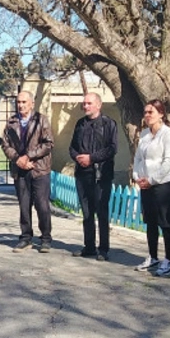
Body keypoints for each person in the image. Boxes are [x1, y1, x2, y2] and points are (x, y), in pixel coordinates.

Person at [2, 90, 54, 253]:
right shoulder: (11, 122)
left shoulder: (41, 120)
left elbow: (48, 144)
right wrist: (18, 159)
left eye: (24, 102)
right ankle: (25, 238)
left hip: (39, 169)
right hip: (20, 170)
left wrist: (29, 157)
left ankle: (45, 238)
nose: (21, 105)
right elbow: (5, 145)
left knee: (42, 205)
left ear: (32, 103)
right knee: (24, 206)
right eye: (18, 102)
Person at [133, 99, 170, 277]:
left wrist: (153, 179)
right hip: (145, 184)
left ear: (161, 114)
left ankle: (168, 259)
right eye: (145, 112)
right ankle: (153, 256)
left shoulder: (168, 134)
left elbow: (169, 161)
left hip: (162, 185)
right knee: (150, 222)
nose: (147, 116)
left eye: (150, 112)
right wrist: (137, 177)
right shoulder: (144, 134)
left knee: (165, 223)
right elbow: (138, 158)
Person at [69, 92, 118, 260]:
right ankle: (88, 246)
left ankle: (103, 249)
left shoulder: (108, 124)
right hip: (82, 175)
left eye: (89, 103)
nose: (85, 106)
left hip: (100, 175)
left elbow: (112, 149)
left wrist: (92, 158)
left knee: (101, 212)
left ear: (98, 105)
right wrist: (78, 158)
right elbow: (72, 147)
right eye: (84, 103)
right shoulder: (80, 124)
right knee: (87, 212)